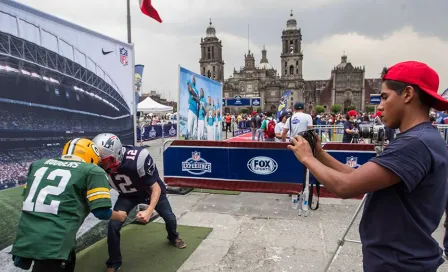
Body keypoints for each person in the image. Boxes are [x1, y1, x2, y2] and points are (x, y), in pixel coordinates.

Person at [288, 61, 448, 271]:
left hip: (398, 262)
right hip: (400, 257)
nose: (379, 106)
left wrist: (307, 158)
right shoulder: (423, 138)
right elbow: (359, 178)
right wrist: (319, 153)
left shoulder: (414, 144)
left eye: (385, 97)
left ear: (408, 94)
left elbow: (346, 186)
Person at [11, 138, 127, 272]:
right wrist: (120, 215)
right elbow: (101, 212)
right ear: (91, 156)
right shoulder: (92, 170)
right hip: (55, 240)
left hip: (27, 235)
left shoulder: (38, 164)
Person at [92, 133, 186, 272]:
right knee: (113, 225)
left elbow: (155, 188)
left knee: (169, 217)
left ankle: (173, 236)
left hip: (149, 192)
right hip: (127, 195)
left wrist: (149, 210)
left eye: (105, 162)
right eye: (100, 162)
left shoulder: (138, 157)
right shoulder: (100, 165)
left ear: (117, 153)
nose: (103, 166)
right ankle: (114, 261)